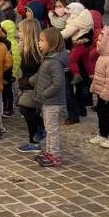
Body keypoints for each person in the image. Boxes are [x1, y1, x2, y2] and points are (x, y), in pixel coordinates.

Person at [31, 28, 68, 167]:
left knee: (52, 129)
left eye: (41, 41)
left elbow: (57, 83)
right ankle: (49, 151)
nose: (39, 43)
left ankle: (55, 155)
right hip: (47, 101)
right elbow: (42, 76)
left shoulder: (54, 62)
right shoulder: (48, 58)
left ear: (51, 42)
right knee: (48, 127)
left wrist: (45, 94)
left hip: (52, 101)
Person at [16, 18, 46, 152]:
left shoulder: (36, 51)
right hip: (27, 84)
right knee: (29, 112)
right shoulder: (24, 48)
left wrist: (28, 82)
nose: (18, 34)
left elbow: (41, 71)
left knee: (24, 108)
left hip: (34, 85)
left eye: (20, 31)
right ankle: (33, 142)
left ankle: (44, 128)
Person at [1, 20, 20, 117]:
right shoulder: (4, 42)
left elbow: (16, 59)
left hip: (10, 73)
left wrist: (13, 73)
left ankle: (9, 107)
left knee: (9, 92)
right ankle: (5, 106)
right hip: (5, 72)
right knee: (4, 91)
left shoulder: (12, 44)